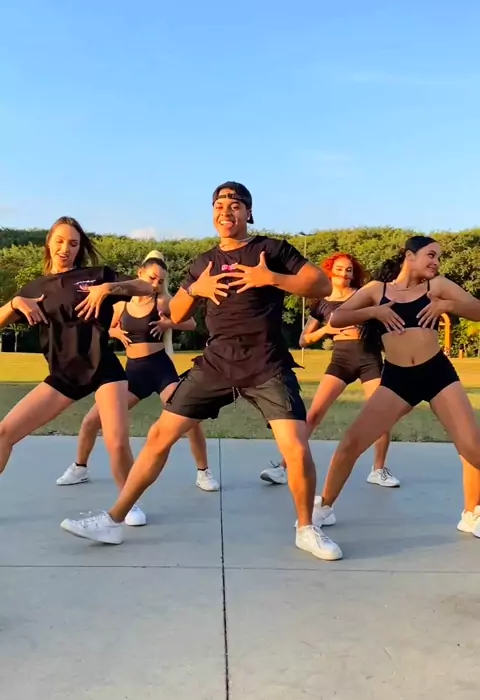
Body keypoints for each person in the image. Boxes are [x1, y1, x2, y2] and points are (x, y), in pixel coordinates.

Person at [61, 181, 343, 560]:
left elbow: (321, 284)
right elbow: (175, 313)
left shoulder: (272, 250)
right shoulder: (202, 263)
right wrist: (197, 289)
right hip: (216, 363)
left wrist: (271, 278)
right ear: (212, 214)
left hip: (266, 362)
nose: (226, 211)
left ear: (249, 213)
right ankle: (113, 520)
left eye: (235, 204)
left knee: (294, 445)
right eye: (219, 205)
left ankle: (306, 528)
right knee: (160, 435)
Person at [313, 235, 480, 539]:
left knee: (472, 448)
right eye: (431, 255)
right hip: (397, 379)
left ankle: (472, 514)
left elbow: (478, 310)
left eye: (439, 257)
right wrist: (374, 312)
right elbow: (337, 317)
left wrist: (447, 305)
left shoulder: (437, 286)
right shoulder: (377, 290)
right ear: (409, 256)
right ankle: (324, 507)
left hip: (437, 374)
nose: (436, 262)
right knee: (352, 442)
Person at [0, 216, 158, 525]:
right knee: (4, 432)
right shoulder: (35, 289)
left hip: (103, 369)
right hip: (64, 376)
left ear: (79, 248)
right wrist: (16, 302)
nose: (65, 248)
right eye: (59, 241)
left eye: (73, 243)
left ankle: (129, 504)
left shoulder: (95, 275)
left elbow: (145, 287)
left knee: (116, 440)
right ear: (49, 243)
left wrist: (107, 289)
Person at [56, 251, 219, 516]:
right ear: (140, 273)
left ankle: (204, 471)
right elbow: (107, 327)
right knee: (91, 420)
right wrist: (116, 332)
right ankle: (80, 467)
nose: (155, 283)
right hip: (132, 373)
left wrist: (167, 323)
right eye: (152, 277)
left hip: (160, 370)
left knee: (190, 419)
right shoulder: (123, 303)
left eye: (160, 280)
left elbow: (190, 323)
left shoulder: (163, 300)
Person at [259, 252, 399, 492]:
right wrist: (326, 330)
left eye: (349, 270)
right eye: (340, 268)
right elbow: (303, 340)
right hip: (341, 361)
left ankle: (378, 470)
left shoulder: (364, 295)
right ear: (330, 271)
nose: (344, 273)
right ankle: (283, 467)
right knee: (313, 415)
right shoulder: (322, 303)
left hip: (370, 359)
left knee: (381, 415)